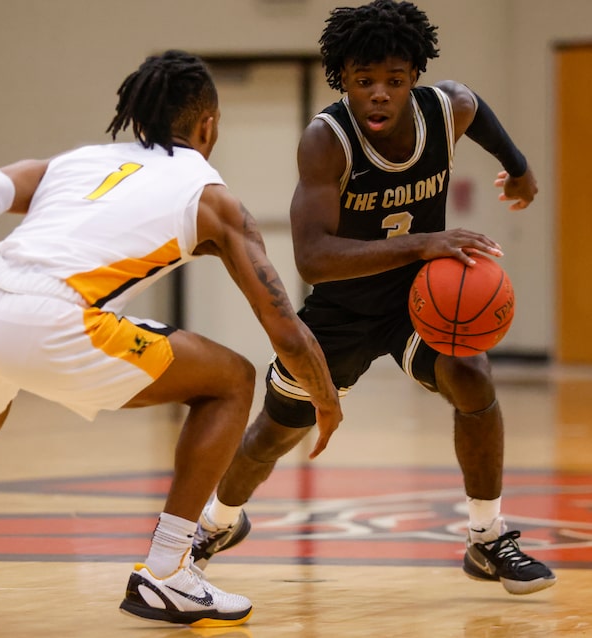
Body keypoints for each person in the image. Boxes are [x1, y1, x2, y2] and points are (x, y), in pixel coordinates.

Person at [0, 50, 342, 627]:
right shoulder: (213, 197)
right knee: (232, 379)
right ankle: (168, 573)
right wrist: (325, 400)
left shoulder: (83, 160)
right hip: (58, 318)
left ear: (140, 121)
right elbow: (286, 332)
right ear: (209, 126)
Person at [191, 0, 557, 596]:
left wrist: (517, 167)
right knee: (276, 431)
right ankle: (219, 521)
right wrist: (424, 243)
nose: (380, 94)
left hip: (416, 303)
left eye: (394, 80)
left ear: (415, 77)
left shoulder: (448, 108)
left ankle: (487, 537)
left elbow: (477, 109)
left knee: (472, 374)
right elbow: (312, 258)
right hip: (342, 311)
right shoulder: (326, 140)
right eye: (364, 82)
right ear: (344, 82)